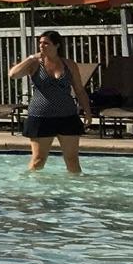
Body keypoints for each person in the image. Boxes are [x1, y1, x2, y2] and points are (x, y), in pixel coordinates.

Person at [10, 29, 88, 175]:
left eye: (46, 43)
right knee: (38, 160)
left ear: (57, 45)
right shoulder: (35, 64)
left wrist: (88, 112)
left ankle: (77, 186)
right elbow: (13, 74)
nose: (41, 46)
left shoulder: (69, 64)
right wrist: (31, 58)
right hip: (41, 117)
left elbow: (79, 90)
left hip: (67, 116)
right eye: (40, 43)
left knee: (72, 160)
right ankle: (30, 185)